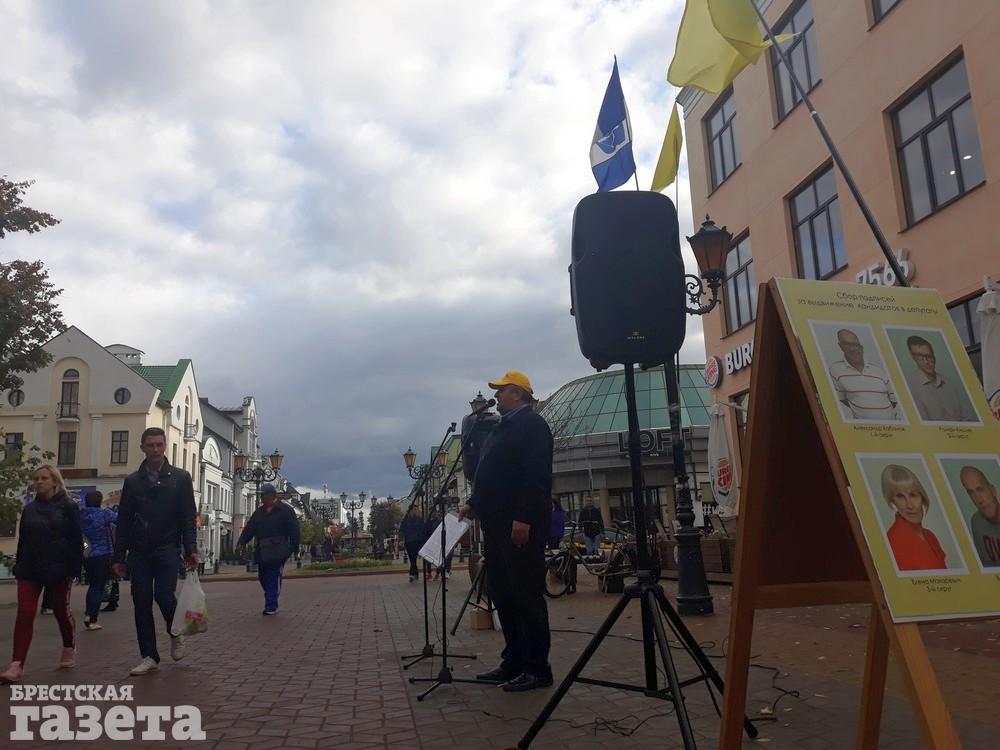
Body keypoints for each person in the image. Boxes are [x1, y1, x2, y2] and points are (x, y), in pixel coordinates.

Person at [461, 370, 554, 692]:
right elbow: (492, 473)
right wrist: (473, 502)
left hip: (518, 526)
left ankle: (537, 669)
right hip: (496, 524)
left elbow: (535, 475)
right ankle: (513, 661)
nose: (496, 396)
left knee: (526, 595)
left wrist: (524, 517)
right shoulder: (502, 427)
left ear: (517, 393)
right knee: (503, 593)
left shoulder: (532, 425)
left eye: (501, 391)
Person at [112, 428, 198, 676]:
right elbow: (124, 520)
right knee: (141, 601)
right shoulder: (133, 481)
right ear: (143, 448)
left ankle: (176, 632)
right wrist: (119, 557)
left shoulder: (180, 478)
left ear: (165, 446)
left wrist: (190, 548)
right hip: (139, 551)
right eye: (150, 445)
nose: (155, 450)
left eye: (159, 445)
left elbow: (188, 516)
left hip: (167, 547)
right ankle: (149, 656)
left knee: (164, 595)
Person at [1, 466, 83, 684]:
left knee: (60, 610)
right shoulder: (30, 510)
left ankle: (69, 645)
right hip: (30, 569)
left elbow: (76, 540)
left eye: (44, 478)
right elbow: (23, 540)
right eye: (36, 478)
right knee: (25, 613)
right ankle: (16, 665)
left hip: (59, 568)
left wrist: (73, 570)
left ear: (55, 481)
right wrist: (19, 566)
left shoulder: (69, 507)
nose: (39, 482)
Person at [237, 484, 301, 615]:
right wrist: (242, 542)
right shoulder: (259, 512)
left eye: (263, 495)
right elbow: (250, 528)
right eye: (260, 495)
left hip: (278, 549)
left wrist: (294, 547)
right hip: (263, 550)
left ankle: (271, 605)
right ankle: (271, 597)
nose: (261, 497)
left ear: (272, 495)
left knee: (273, 575)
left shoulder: (285, 510)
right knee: (263, 577)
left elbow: (294, 529)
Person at [882, 464, 946, 571]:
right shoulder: (892, 542)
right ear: (892, 501)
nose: (910, 505)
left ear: (922, 497)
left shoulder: (930, 536)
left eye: (913, 495)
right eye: (900, 497)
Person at [829, 329, 900, 421]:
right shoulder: (835, 369)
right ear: (840, 346)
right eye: (847, 344)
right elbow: (841, 398)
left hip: (891, 424)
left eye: (855, 344)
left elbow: (894, 399)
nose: (853, 348)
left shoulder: (879, 371)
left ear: (861, 348)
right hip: (863, 427)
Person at [905, 335, 977, 422]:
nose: (926, 361)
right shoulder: (910, 388)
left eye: (928, 356)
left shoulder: (949, 383)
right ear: (913, 357)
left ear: (934, 356)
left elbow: (968, 417)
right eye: (920, 357)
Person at [80, 490, 117, 631]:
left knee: (92, 585)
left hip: (87, 554)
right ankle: (92, 617)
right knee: (98, 587)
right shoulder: (104, 514)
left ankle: (88, 613)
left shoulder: (81, 515)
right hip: (103, 554)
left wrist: (85, 549)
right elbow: (119, 520)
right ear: (100, 501)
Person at [959, 466, 1000, 567]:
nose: (979, 500)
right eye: (971, 493)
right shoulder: (976, 522)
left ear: (993, 491)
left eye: (980, 489)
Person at [398, 504, 426, 581]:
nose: (416, 511)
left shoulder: (419, 519)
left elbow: (423, 529)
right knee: (412, 558)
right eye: (414, 509)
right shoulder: (405, 520)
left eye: (416, 509)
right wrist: (401, 540)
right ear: (410, 510)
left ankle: (412, 574)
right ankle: (415, 573)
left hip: (417, 541)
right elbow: (401, 530)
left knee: (414, 558)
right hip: (409, 541)